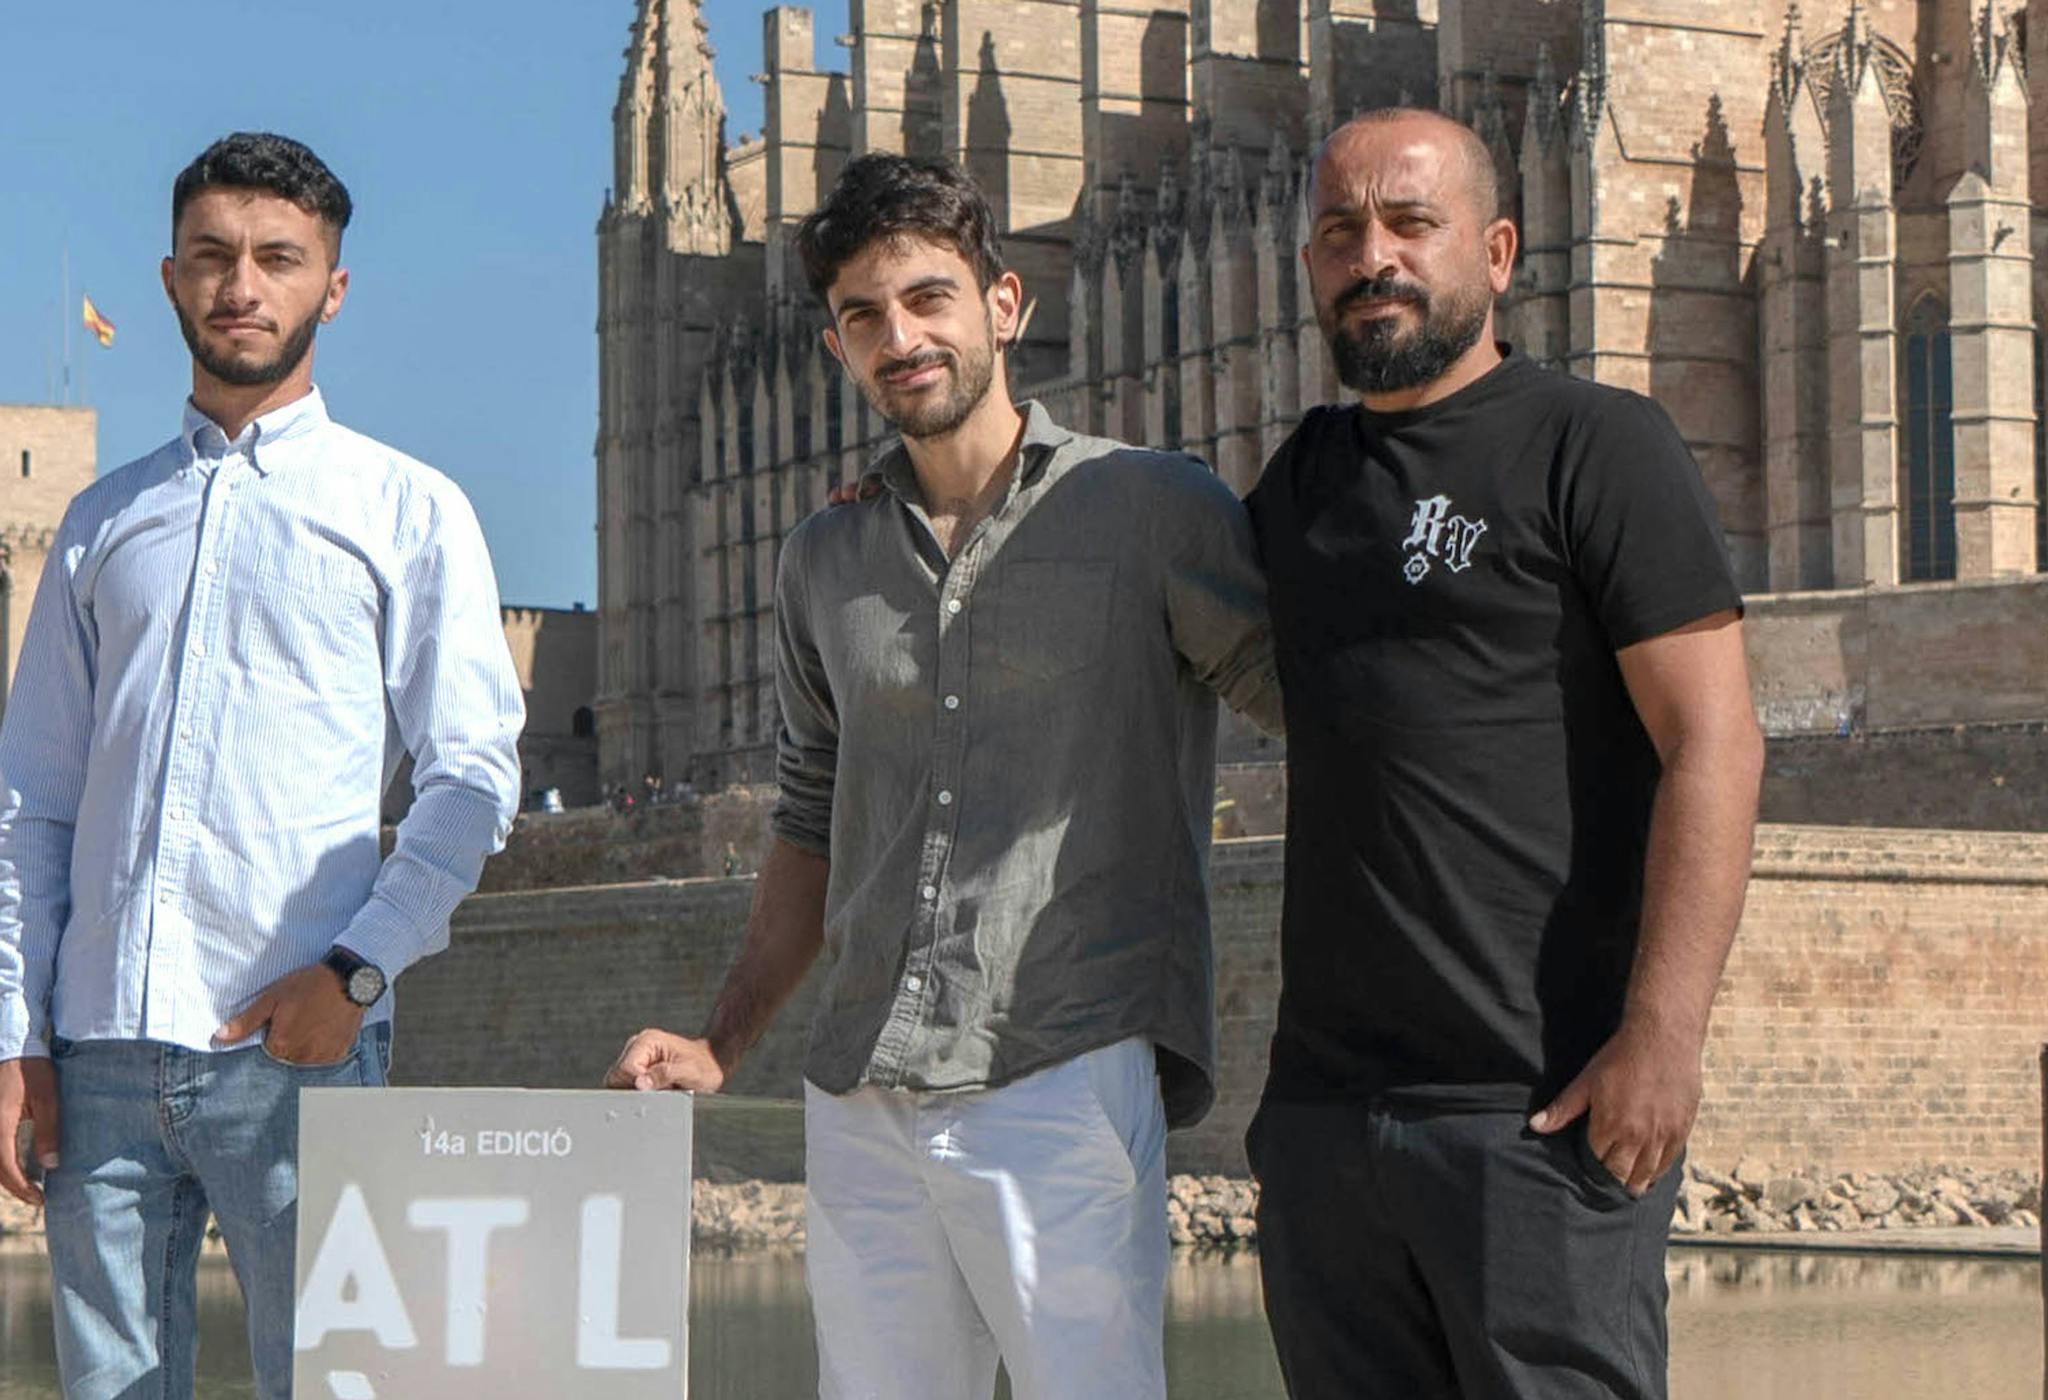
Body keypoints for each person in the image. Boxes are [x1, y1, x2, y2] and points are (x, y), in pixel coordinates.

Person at [606, 152, 1280, 1400]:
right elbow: (811, 819)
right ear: (834, 348)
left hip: (1059, 1071)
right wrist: (720, 1037)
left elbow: (1320, 706)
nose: (899, 336)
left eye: (927, 298)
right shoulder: (820, 559)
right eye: (863, 315)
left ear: (1004, 304)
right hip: (858, 1093)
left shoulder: (1148, 511)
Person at [1243, 107, 1764, 1399]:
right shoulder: (1299, 485)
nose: (1374, 256)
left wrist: (1664, 1040)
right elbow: (1122, 584)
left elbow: (1717, 740)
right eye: (1340, 232)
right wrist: (932, 481)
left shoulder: (1598, 443)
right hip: (1324, 1133)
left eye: (1411, 224)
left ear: (1498, 250)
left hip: (1540, 1120)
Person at [0, 132, 524, 1400]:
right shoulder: (95, 524)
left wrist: (356, 970)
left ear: (330, 289)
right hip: (100, 1057)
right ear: (172, 278)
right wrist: (15, 1032)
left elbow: (473, 775)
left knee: (337, 1389)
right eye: (215, 257)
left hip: (300, 1049)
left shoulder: (408, 509)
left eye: (277, 259)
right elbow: (33, 806)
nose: (243, 284)